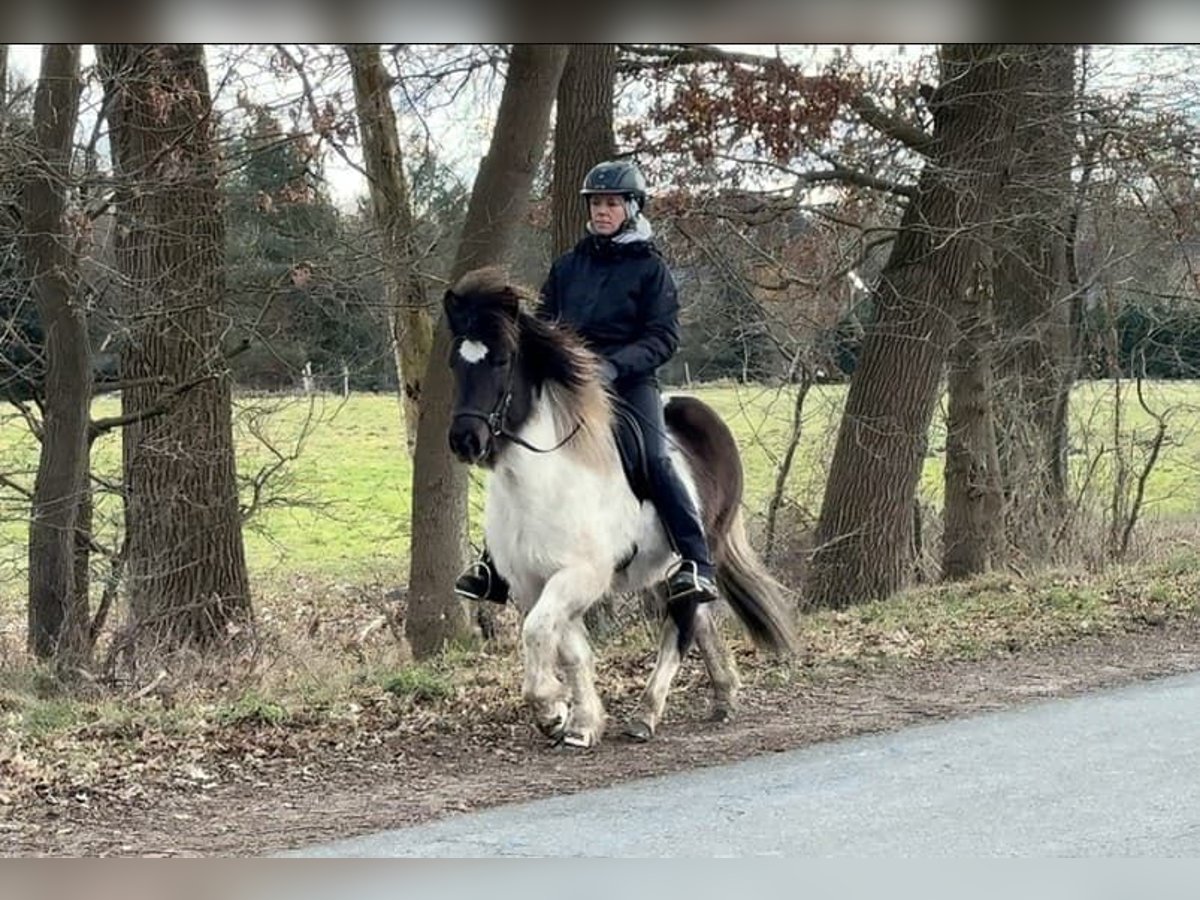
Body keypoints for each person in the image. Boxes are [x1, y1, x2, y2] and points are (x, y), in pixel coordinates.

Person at [454, 159, 718, 607]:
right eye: (596, 203)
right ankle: (494, 566)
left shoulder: (651, 270)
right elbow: (546, 326)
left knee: (654, 457)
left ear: (633, 208)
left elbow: (663, 337)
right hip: (569, 385)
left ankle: (696, 561)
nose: (601, 211)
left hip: (628, 383)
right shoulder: (569, 266)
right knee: (513, 453)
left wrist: (614, 365)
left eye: (612, 203)